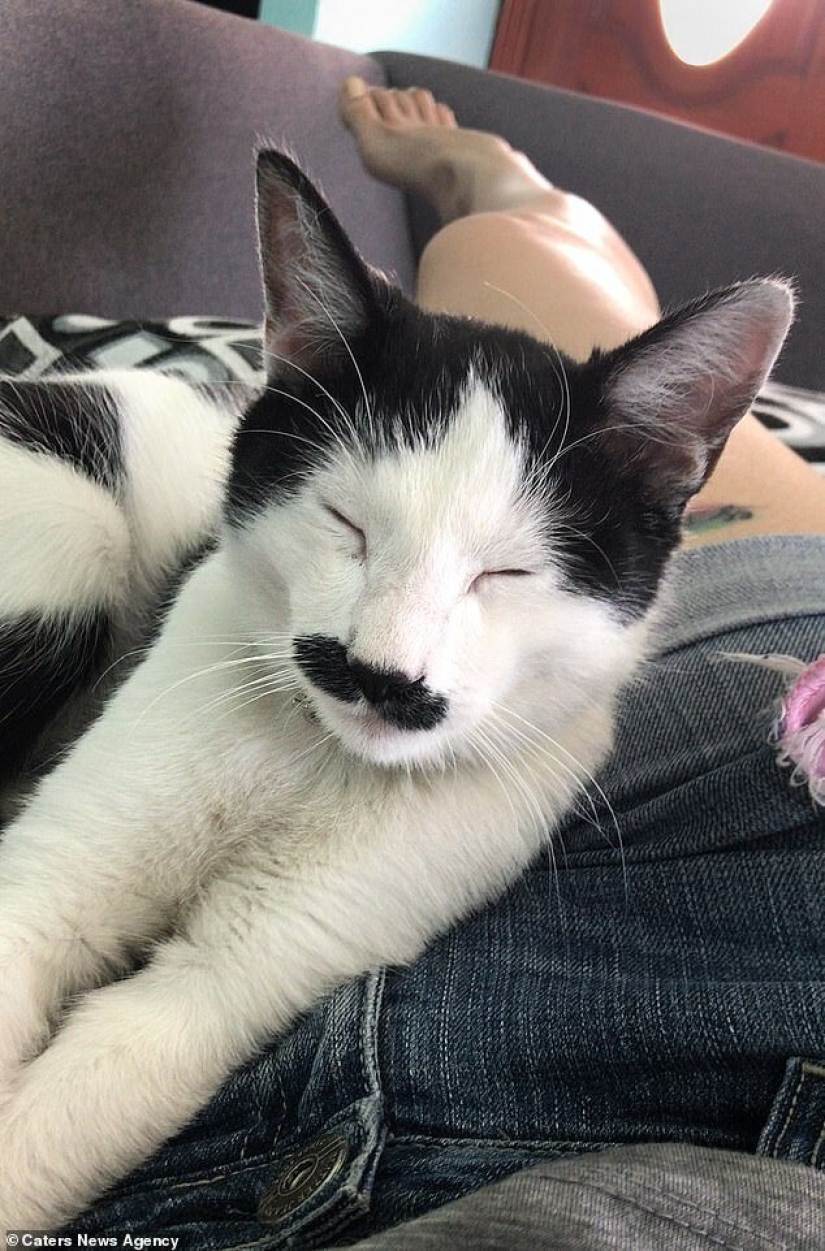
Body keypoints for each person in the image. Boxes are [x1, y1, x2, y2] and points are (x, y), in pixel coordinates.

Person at [69, 82, 825, 1250]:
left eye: (503, 578)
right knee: (543, 320)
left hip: (755, 597)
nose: (387, 659)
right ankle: (488, 182)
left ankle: (502, 191)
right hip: (793, 592)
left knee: (594, 335)